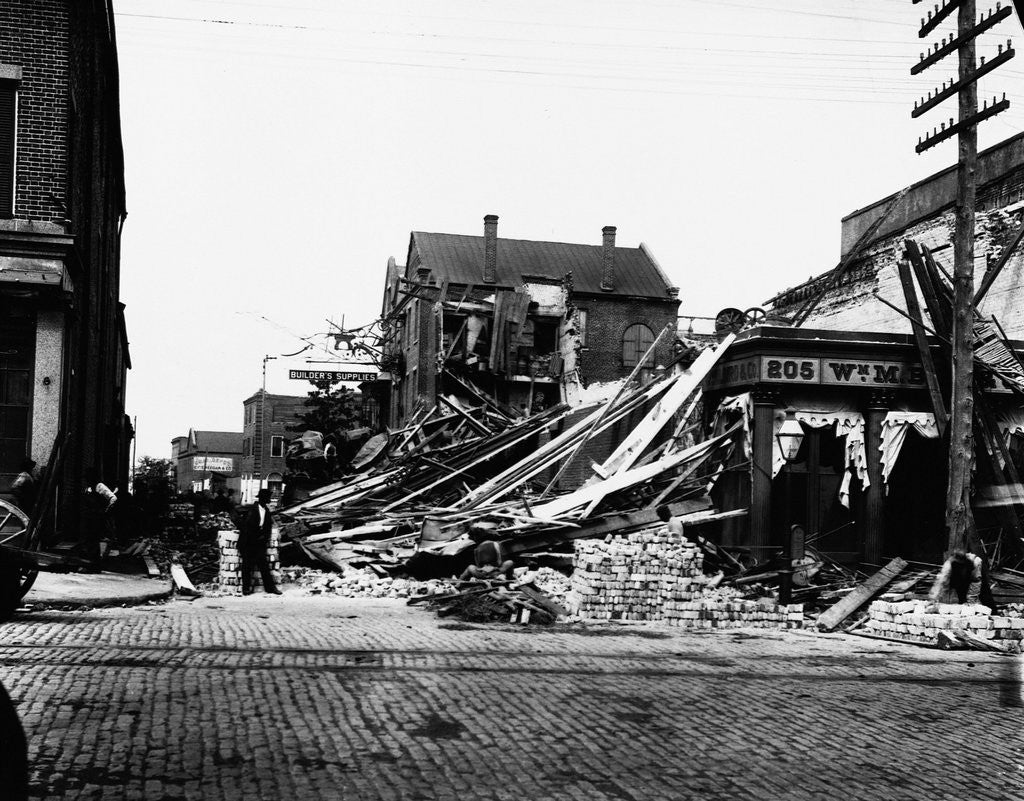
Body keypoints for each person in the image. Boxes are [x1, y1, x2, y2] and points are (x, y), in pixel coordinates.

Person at [239, 488, 282, 595]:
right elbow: (247, 527)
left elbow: (267, 527)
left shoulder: (266, 510)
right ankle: (246, 588)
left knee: (264, 565)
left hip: (259, 542)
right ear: (263, 498)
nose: (270, 499)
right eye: (268, 497)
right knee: (247, 566)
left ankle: (270, 588)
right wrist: (254, 537)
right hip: (248, 541)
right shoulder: (252, 509)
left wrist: (264, 538)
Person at [930, 550, 994, 607]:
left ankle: (992, 611)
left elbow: (975, 583)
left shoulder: (975, 562)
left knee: (985, 592)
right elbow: (940, 581)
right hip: (960, 579)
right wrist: (933, 598)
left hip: (973, 574)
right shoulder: (948, 566)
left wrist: (971, 601)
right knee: (962, 598)